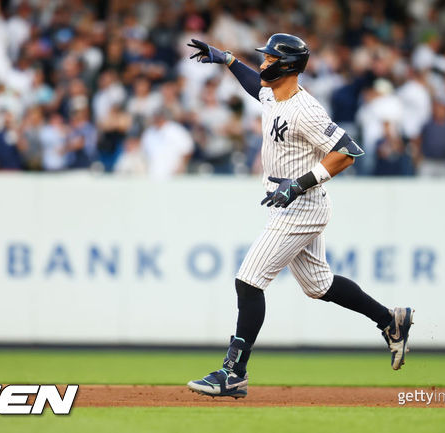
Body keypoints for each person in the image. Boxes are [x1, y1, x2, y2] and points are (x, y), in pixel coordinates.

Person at [186, 34, 414, 399]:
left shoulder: (304, 108)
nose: (262, 63)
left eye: (269, 58)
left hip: (300, 204)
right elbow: (253, 86)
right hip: (293, 202)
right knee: (318, 285)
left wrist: (296, 185)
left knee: (249, 281)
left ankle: (233, 373)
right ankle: (391, 320)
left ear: (286, 65)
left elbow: (348, 151)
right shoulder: (274, 94)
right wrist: (226, 58)